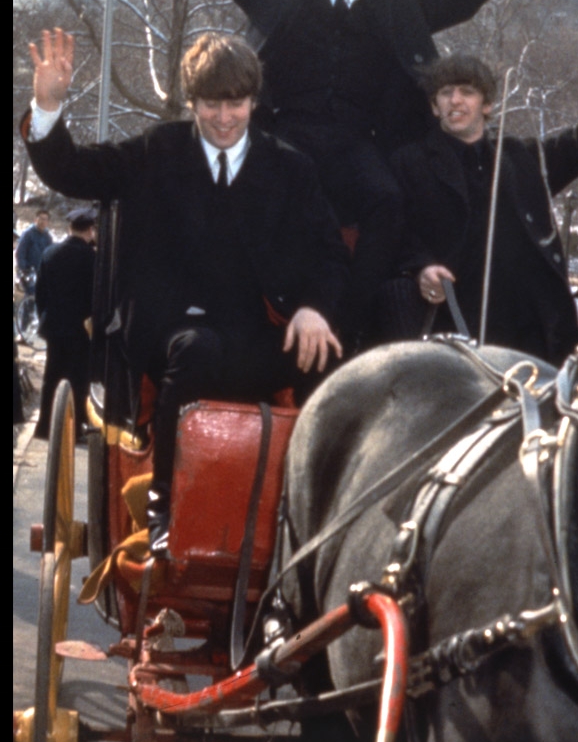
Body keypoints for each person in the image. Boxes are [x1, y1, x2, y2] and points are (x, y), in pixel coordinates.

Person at [156, 0, 578, 343]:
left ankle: (342, 319)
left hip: (359, 145)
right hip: (283, 136)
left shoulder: (398, 2)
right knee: (271, 195)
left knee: (387, 199)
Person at [23, 28, 348, 556]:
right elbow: (71, 169)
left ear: (252, 101)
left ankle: (313, 519)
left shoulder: (291, 167)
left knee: (329, 364)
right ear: (192, 102)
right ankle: (164, 504)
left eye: (236, 104)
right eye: (212, 104)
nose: (224, 118)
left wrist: (314, 310)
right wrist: (47, 105)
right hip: (170, 327)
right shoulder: (157, 150)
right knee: (198, 351)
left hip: (255, 328)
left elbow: (330, 254)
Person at [381, 22, 578, 364]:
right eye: (444, 93)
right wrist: (421, 268)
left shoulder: (520, 157)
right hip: (450, 339)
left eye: (466, 91)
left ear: (486, 105)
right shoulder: (409, 163)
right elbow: (393, 235)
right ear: (434, 106)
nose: (455, 100)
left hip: (532, 340)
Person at [33, 207, 97, 441]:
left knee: (52, 375)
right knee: (79, 378)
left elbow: (40, 294)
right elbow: (96, 297)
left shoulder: (50, 253)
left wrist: (46, 318)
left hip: (55, 326)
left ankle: (44, 427)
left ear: (69, 228)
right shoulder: (93, 259)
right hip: (81, 328)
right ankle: (76, 427)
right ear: (90, 230)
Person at [15, 209, 53, 275]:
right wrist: (24, 269)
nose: (43, 222)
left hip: (42, 271)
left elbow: (50, 253)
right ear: (35, 220)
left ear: (48, 222)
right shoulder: (28, 234)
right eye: (41, 219)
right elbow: (20, 253)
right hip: (29, 271)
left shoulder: (47, 236)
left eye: (45, 219)